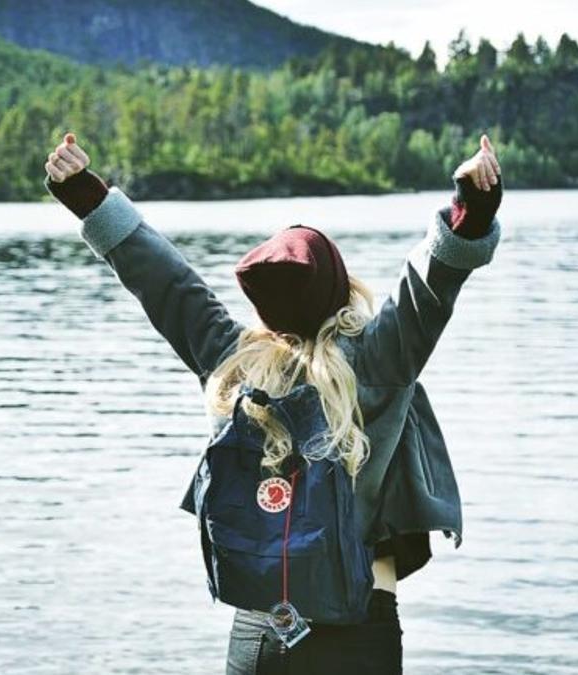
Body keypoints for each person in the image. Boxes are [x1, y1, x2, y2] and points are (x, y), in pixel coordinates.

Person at [44, 131, 503, 674]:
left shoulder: (233, 360)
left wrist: (85, 195)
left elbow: (163, 280)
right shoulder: (379, 359)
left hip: (258, 634)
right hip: (358, 635)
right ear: (339, 285)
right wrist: (473, 206)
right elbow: (432, 280)